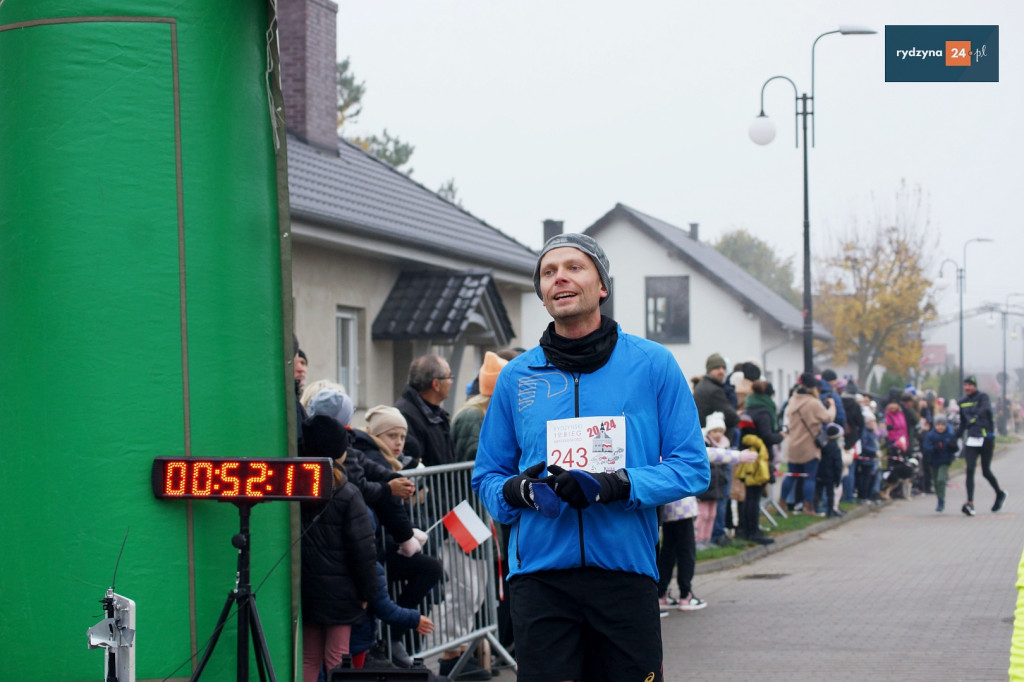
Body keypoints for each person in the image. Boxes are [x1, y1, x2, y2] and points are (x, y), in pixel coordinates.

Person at [471, 232, 709, 682]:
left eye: (574, 267)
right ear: (542, 294)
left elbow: (691, 466)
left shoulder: (653, 364)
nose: (559, 277)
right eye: (548, 272)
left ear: (602, 286)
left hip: (625, 573)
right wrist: (517, 490)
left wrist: (616, 484)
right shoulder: (516, 377)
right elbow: (487, 476)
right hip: (540, 579)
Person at [299, 415, 379, 682]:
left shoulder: (296, 489)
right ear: (338, 451)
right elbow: (363, 551)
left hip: (307, 590)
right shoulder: (347, 493)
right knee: (337, 657)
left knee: (309, 658)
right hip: (342, 594)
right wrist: (368, 592)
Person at [693, 353, 740, 546]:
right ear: (709, 369)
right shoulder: (713, 390)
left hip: (705, 445)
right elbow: (732, 417)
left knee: (711, 498)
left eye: (723, 367)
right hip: (715, 447)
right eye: (717, 368)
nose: (721, 371)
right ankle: (716, 535)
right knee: (718, 494)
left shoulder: (702, 387)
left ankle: (709, 535)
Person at [781, 373, 835, 515]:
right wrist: (832, 406)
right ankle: (808, 507)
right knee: (810, 477)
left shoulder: (792, 400)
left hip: (793, 444)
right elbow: (828, 418)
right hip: (809, 445)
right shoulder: (813, 403)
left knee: (791, 475)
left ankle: (782, 503)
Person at [957, 375, 1006, 516]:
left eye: (970, 385)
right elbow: (962, 423)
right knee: (970, 469)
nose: (967, 388)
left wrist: (975, 418)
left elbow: (984, 409)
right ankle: (970, 503)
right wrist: (954, 437)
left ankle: (999, 493)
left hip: (986, 438)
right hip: (972, 439)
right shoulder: (962, 401)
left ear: (975, 386)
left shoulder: (983, 397)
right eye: (965, 385)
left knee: (985, 471)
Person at [396, 354, 456, 467]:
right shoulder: (404, 416)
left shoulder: (437, 414)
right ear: (436, 384)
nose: (451, 382)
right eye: (450, 377)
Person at [922, 414, 958, 512]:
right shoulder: (931, 435)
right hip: (934, 461)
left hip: (945, 461)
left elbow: (955, 448)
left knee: (941, 479)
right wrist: (933, 449)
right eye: (938, 425)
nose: (940, 427)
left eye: (942, 425)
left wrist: (953, 447)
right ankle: (939, 498)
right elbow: (926, 447)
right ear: (935, 425)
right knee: (935, 481)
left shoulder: (949, 435)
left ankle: (942, 500)